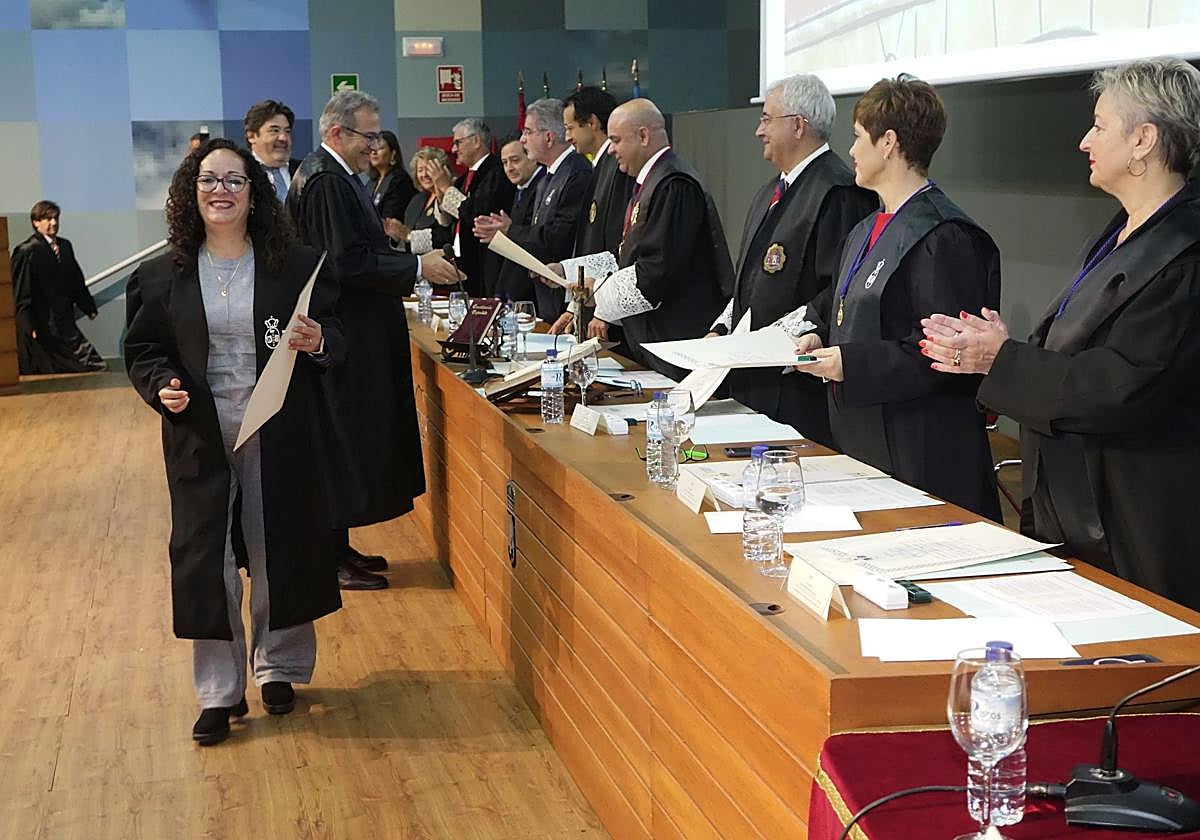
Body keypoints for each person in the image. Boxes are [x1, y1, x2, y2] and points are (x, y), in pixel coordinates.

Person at [921, 59, 1200, 610]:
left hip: (1138, 527)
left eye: (1098, 125)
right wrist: (1006, 350)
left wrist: (1000, 362)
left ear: (1143, 139)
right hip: (1080, 508)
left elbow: (1123, 386)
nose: (1083, 141)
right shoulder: (1121, 233)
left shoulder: (1185, 254)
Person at [123, 139, 344, 745]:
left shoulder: (296, 266)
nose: (220, 190)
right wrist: (161, 384)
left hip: (276, 426)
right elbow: (144, 351)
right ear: (191, 195)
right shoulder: (161, 274)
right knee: (206, 561)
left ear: (255, 194)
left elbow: (340, 339)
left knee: (278, 547)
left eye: (234, 181)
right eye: (208, 180)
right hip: (200, 432)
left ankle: (279, 668)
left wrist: (319, 340)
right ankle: (219, 692)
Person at [793, 75, 1002, 520]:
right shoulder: (866, 227)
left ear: (888, 142)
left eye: (856, 137)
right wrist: (823, 338)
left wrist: (849, 362)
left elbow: (943, 354)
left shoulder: (944, 236)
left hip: (921, 451)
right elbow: (853, 312)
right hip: (864, 438)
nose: (850, 151)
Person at [287, 90, 460, 590]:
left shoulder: (337, 176)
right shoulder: (325, 181)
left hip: (353, 328)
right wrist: (415, 264)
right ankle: (329, 555)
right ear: (338, 132)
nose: (376, 146)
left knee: (348, 438)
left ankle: (339, 547)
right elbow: (346, 262)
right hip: (342, 332)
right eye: (369, 136)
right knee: (340, 438)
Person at [709, 75, 874, 448]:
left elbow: (840, 293)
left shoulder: (839, 193)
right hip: (753, 379)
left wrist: (772, 343)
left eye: (767, 119)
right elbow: (750, 283)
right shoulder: (771, 190)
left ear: (797, 125)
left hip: (798, 391)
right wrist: (721, 332)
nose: (758, 131)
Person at [554, 98, 733, 379]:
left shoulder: (673, 184)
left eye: (615, 140)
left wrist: (599, 293)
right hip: (654, 341)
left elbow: (657, 271)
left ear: (644, 136)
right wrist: (578, 277)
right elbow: (627, 254)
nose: (611, 150)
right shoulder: (649, 182)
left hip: (677, 341)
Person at [475, 98, 593, 321]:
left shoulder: (577, 174)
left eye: (528, 132)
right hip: (545, 298)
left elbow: (561, 237)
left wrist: (511, 231)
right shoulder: (547, 178)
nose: (523, 139)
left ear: (548, 137)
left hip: (567, 299)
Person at [557, 86, 635, 345]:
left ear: (591, 123)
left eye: (570, 128)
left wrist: (604, 309)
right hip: (594, 300)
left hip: (610, 311)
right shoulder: (600, 167)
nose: (567, 137)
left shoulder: (618, 169)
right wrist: (573, 306)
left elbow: (617, 247)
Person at [11, 200, 106, 374]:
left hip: (64, 318)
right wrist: (27, 324)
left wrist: (88, 306)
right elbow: (21, 291)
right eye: (47, 219)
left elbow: (75, 279)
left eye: (55, 218)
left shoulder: (65, 246)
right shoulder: (27, 251)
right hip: (42, 322)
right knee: (49, 366)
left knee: (87, 362)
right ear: (36, 222)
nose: (53, 223)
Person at [440, 118, 514, 295]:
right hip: (461, 261)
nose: (454, 149)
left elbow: (478, 213)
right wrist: (440, 191)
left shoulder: (496, 170)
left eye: (458, 142)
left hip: (485, 262)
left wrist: (445, 188)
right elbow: (447, 220)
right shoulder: (463, 178)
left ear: (476, 141)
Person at [480, 135, 544, 300]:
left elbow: (539, 238)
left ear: (532, 158)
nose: (509, 168)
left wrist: (509, 229)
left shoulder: (541, 186)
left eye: (515, 160)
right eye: (505, 162)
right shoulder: (519, 188)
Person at [399, 145, 454, 255]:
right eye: (420, 170)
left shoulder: (450, 196)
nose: (424, 175)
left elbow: (446, 236)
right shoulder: (417, 199)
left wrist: (409, 236)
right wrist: (397, 236)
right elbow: (406, 236)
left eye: (428, 169)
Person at [244, 99, 300, 203]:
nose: (283, 138)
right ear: (251, 136)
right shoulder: (242, 173)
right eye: (274, 130)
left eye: (287, 131)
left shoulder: (304, 171)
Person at [367, 130, 416, 224]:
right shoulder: (371, 182)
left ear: (393, 154)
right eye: (372, 149)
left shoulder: (400, 180)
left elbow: (391, 217)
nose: (374, 152)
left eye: (380, 148)